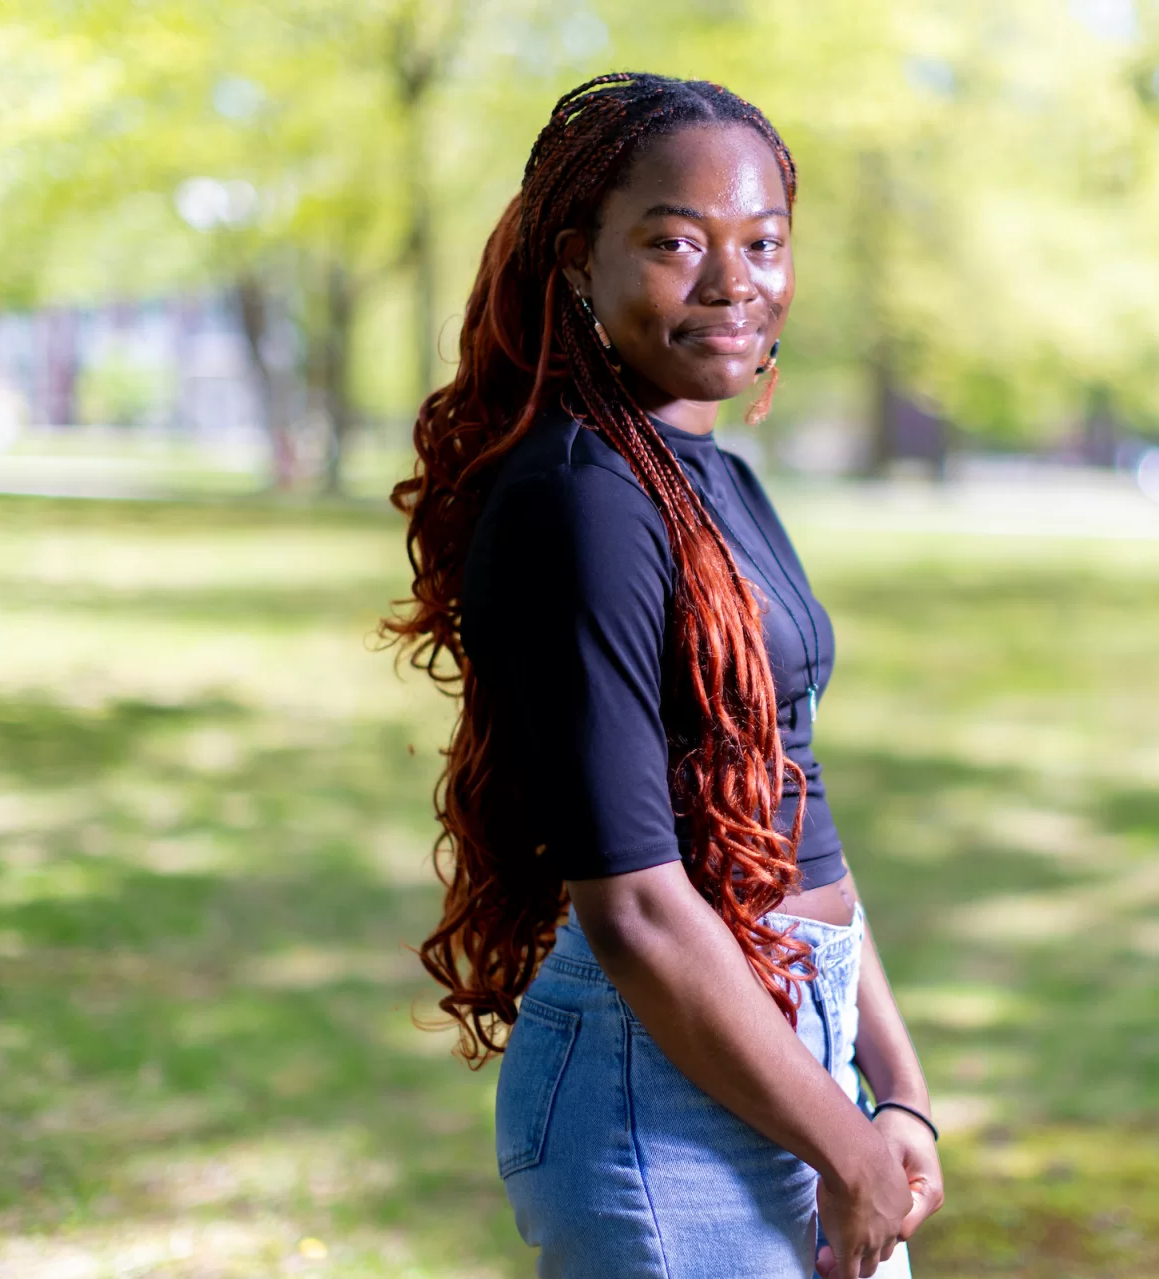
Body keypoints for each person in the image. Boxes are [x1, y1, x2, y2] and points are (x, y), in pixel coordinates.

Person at [382, 73, 943, 1279]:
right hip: (665, 1081)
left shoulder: (715, 475)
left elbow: (801, 804)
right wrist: (843, 1146)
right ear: (579, 260)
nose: (731, 280)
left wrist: (895, 1091)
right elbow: (632, 903)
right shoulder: (579, 503)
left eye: (762, 242)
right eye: (675, 242)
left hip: (800, 1052)